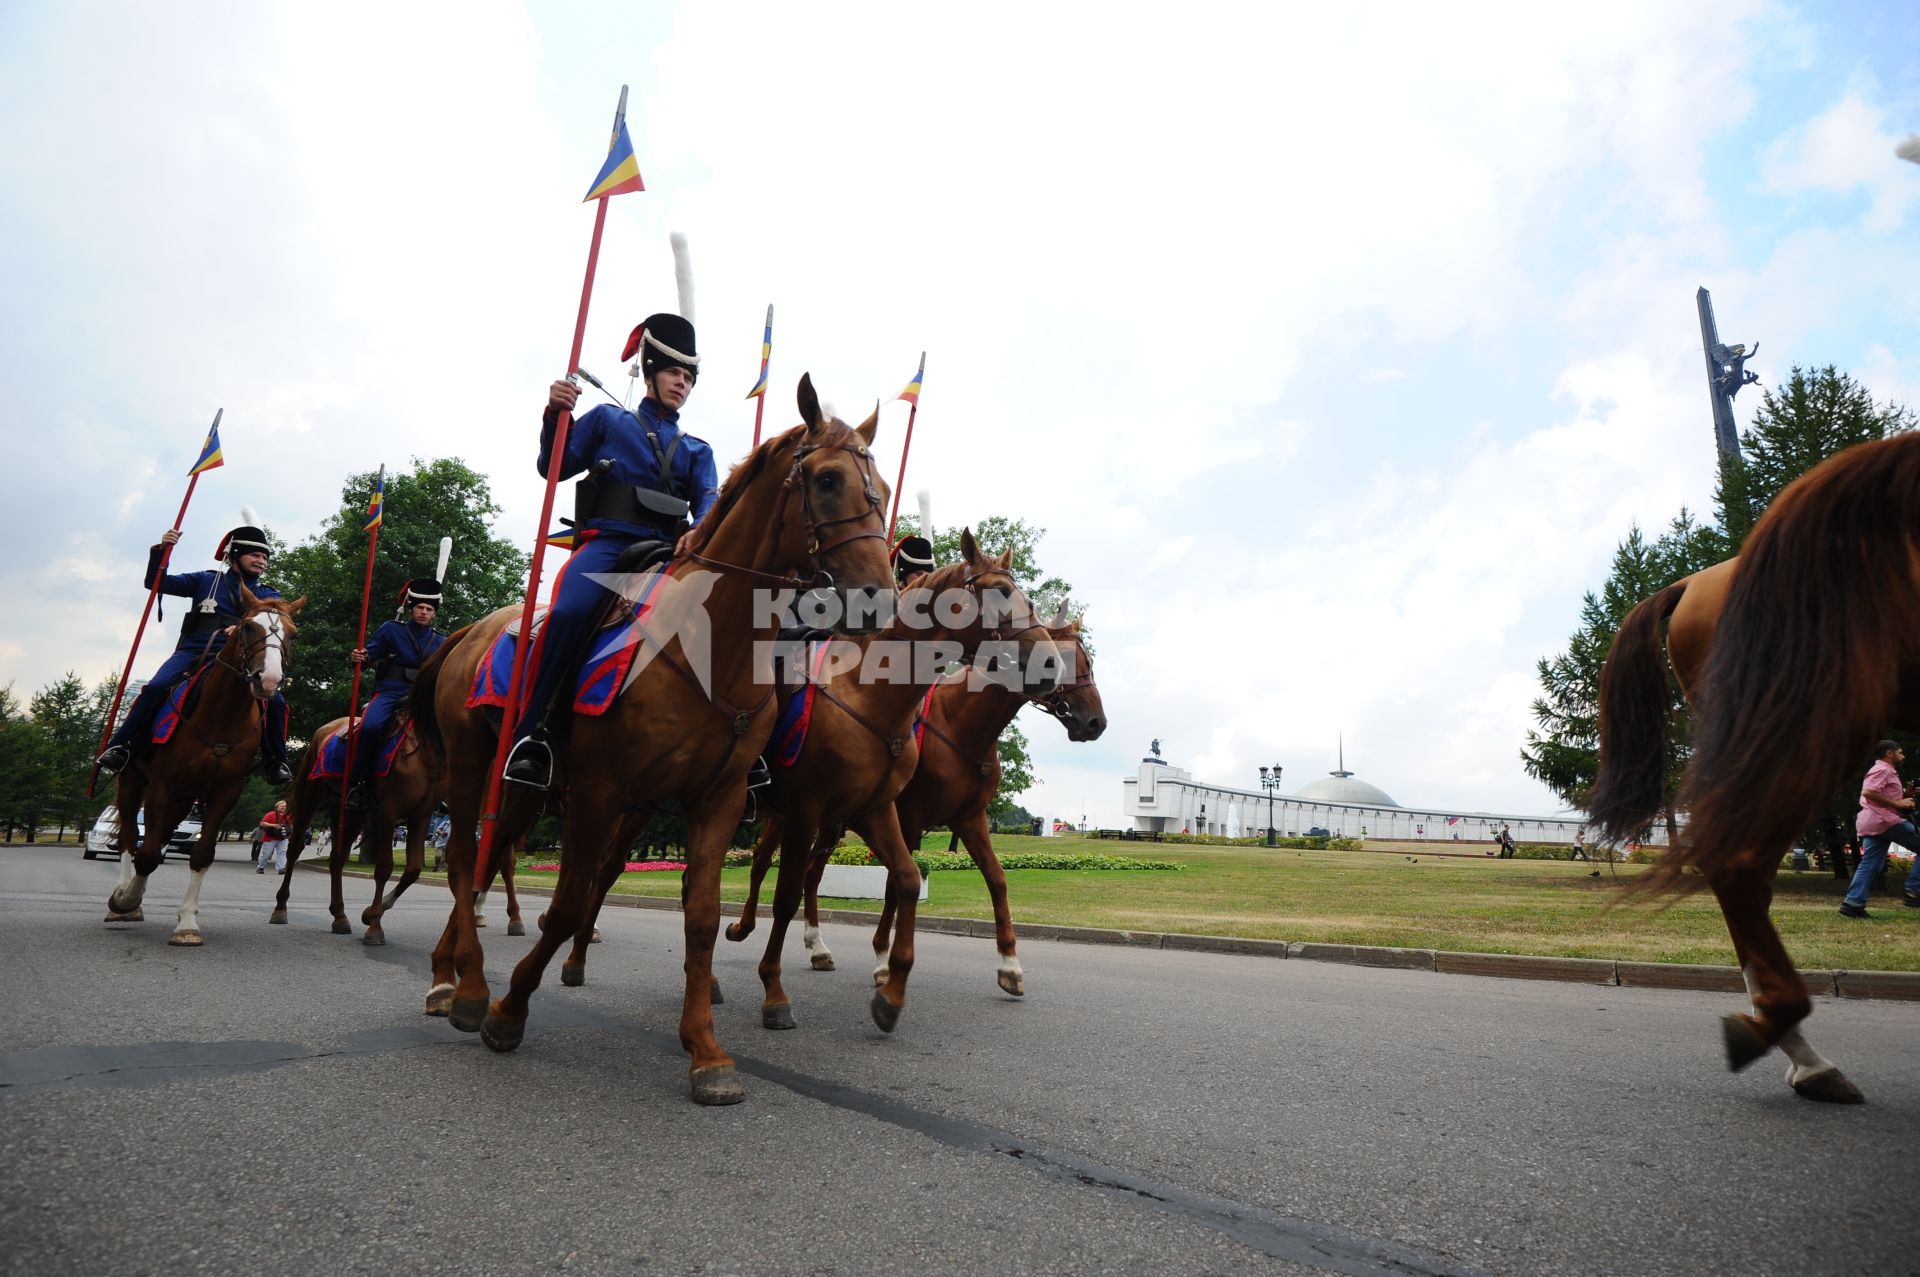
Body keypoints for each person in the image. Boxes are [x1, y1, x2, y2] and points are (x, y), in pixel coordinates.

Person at [503, 297, 719, 791]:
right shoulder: (606, 421)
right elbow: (554, 468)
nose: (681, 383)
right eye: (673, 372)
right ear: (650, 372)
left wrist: (700, 529)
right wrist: (555, 414)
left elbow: (708, 498)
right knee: (569, 613)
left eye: (689, 377)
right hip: (608, 547)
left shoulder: (697, 450)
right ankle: (536, 733)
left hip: (668, 555)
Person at [97, 509, 293, 785]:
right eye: (255, 555)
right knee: (155, 687)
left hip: (240, 660)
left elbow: (276, 620)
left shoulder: (268, 594)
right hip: (193, 653)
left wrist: (240, 628)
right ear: (235, 555)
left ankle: (276, 761)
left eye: (264, 557)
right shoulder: (204, 580)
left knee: (276, 701)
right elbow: (156, 583)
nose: (261, 561)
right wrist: (161, 551)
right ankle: (122, 746)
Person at [345, 577, 447, 809]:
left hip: (422, 697)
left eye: (429, 609)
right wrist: (362, 656)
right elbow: (371, 653)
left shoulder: (442, 641)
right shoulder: (391, 629)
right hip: (390, 691)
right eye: (420, 607)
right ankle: (358, 782)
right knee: (370, 727)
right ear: (411, 609)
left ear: (434, 614)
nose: (423, 612)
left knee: (447, 730)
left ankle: (439, 786)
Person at [1840, 739, 1920, 918]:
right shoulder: (1882, 770)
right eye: (1900, 752)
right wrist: (1898, 802)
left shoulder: (1887, 771)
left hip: (1873, 823)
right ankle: (1914, 891)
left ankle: (1852, 904)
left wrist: (1907, 794)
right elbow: (1868, 792)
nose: (1903, 755)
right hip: (1886, 821)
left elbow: (1882, 795)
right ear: (1889, 753)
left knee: (1870, 864)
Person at [255, 800, 291, 874]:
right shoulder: (271, 814)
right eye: (281, 806)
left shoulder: (288, 816)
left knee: (282, 853)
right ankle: (260, 867)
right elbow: (262, 823)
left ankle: (281, 868)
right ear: (277, 807)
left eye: (285, 807)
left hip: (283, 838)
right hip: (270, 838)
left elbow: (291, 825)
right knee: (266, 854)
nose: (283, 808)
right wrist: (273, 825)